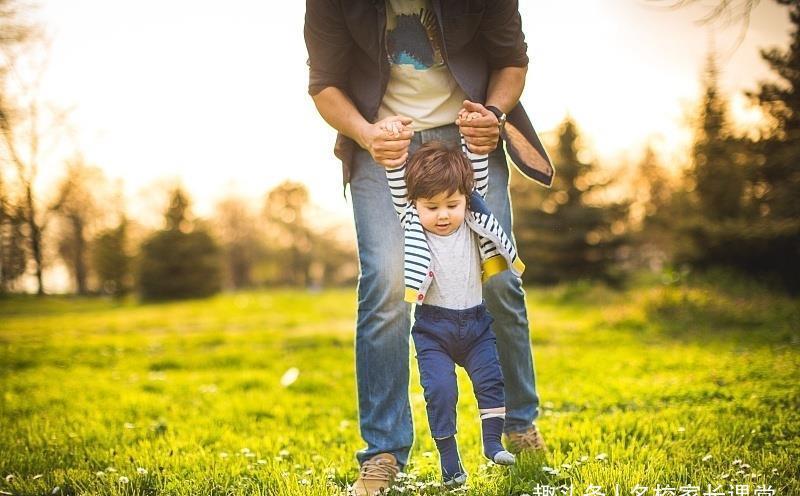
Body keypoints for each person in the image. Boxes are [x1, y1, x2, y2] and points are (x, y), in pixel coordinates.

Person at [304, 2, 555, 495]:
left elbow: (511, 59)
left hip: (469, 136)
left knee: (499, 276)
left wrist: (495, 115)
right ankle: (383, 453)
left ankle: (519, 425)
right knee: (386, 284)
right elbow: (324, 83)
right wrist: (365, 134)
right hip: (383, 141)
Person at [383, 124, 521, 487]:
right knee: (440, 391)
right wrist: (395, 153)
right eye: (432, 207)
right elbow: (398, 180)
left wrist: (470, 130)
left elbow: (475, 167)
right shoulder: (412, 220)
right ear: (415, 204)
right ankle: (450, 461)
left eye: (452, 205)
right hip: (433, 329)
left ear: (466, 198)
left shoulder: (473, 220)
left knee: (491, 380)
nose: (443, 215)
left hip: (477, 325)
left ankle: (493, 445)